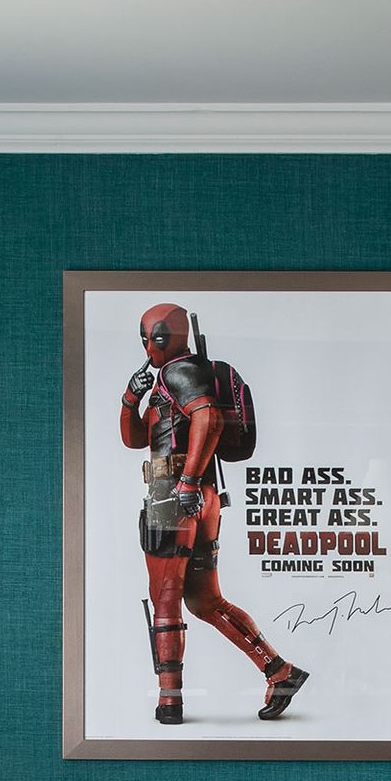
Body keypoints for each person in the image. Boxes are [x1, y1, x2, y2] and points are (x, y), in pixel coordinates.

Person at [119, 302, 306, 726]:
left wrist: (185, 482)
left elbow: (209, 420)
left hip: (174, 496)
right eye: (145, 338)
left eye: (156, 338)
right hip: (200, 498)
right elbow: (135, 438)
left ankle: (170, 703)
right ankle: (280, 671)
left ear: (174, 338)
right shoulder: (174, 377)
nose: (149, 347)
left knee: (166, 602)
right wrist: (131, 398)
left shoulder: (178, 372)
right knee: (205, 600)